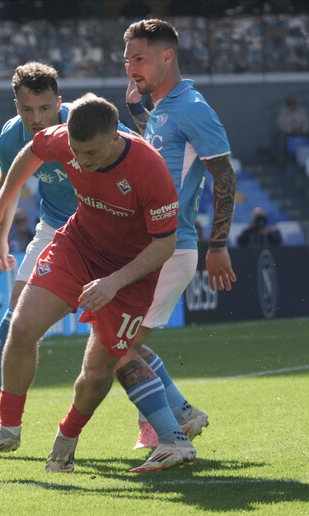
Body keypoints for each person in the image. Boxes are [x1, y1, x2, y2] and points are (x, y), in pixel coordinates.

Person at [0, 93, 193, 473]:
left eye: (92, 154)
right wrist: (3, 202)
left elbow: (165, 244)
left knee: (98, 370)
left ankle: (67, 439)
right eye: (76, 152)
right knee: (21, 327)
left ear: (114, 137)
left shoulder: (148, 169)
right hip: (78, 246)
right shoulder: (64, 138)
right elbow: (32, 151)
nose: (82, 162)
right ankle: (8, 428)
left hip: (129, 271)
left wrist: (114, 282)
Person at [0, 62, 130, 454]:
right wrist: (2, 240)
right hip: (55, 228)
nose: (36, 119)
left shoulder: (88, 123)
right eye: (26, 110)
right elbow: (12, 184)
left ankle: (172, 414)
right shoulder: (10, 136)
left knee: (117, 336)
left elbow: (133, 166)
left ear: (59, 102)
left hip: (108, 232)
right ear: (16, 105)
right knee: (15, 323)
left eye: (45, 109)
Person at [122, 18, 237, 451]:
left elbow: (223, 174)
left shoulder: (192, 107)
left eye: (141, 59)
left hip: (172, 246)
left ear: (167, 56)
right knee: (115, 341)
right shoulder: (167, 108)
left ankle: (171, 434)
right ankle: (179, 418)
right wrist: (137, 113)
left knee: (115, 346)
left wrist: (220, 244)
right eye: (128, 59)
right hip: (152, 246)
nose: (132, 67)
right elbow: (164, 152)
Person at [276, 94, 309, 162]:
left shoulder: (301, 110)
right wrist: (290, 131)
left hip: (300, 131)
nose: (292, 104)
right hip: (287, 132)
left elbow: (306, 123)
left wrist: (301, 130)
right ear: (287, 103)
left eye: (293, 102)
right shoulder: (282, 111)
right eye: (290, 102)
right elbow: (280, 125)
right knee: (280, 134)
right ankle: (281, 155)